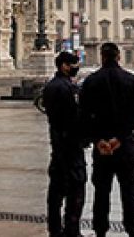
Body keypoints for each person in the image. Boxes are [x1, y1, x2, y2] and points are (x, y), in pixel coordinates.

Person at [79, 42, 134, 237]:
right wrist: (120, 138)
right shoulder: (131, 81)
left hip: (102, 148)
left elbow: (84, 114)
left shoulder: (91, 81)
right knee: (129, 193)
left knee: (101, 193)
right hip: (124, 147)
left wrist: (98, 139)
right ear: (119, 56)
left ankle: (100, 230)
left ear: (102, 56)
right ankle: (133, 230)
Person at [43, 51, 86, 237]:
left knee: (56, 192)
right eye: (74, 65)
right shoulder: (67, 88)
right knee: (75, 189)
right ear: (64, 66)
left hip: (58, 144)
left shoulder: (51, 86)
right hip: (70, 146)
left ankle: (54, 228)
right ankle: (71, 229)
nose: (76, 68)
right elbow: (74, 117)